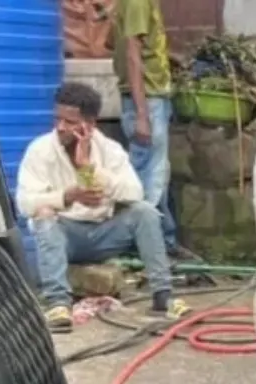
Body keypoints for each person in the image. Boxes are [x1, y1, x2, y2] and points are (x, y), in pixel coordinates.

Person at [17, 81, 187, 332]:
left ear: (90, 124)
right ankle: (57, 303)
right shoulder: (40, 150)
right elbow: (24, 203)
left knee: (145, 212)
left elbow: (135, 192)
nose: (61, 127)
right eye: (58, 119)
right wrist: (67, 197)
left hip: (104, 233)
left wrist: (89, 168)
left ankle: (162, 296)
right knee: (42, 215)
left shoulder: (109, 149)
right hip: (67, 237)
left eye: (70, 122)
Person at [111, 0, 176, 246]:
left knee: (157, 172)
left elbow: (113, 42)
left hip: (149, 98)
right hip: (147, 100)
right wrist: (142, 115)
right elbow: (132, 53)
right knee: (150, 178)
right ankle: (148, 246)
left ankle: (165, 240)